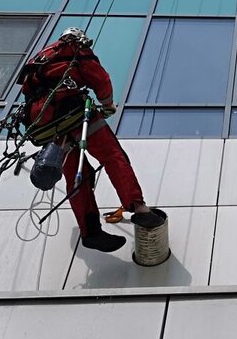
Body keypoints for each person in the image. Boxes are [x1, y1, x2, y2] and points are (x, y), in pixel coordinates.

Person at [18, 27, 161, 253]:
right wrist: (108, 104)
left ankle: (90, 231)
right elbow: (100, 79)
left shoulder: (41, 58)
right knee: (113, 156)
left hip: (48, 124)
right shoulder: (75, 49)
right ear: (79, 37)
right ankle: (138, 207)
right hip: (74, 113)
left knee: (77, 174)